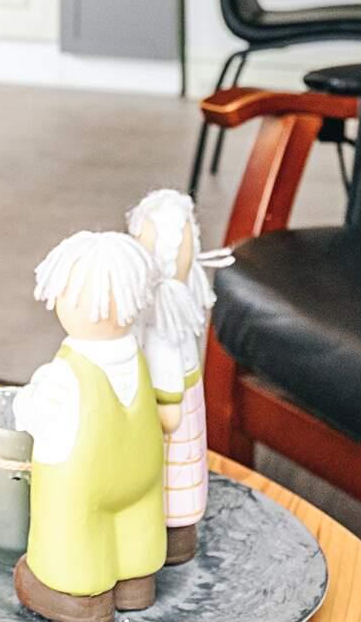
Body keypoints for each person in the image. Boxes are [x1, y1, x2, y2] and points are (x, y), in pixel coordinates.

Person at [12, 230, 169, 620]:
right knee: (136, 534)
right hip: (142, 474)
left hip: (85, 482)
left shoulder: (64, 373)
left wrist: (27, 401)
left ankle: (81, 599)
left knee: (71, 530)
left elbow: (33, 417)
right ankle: (135, 583)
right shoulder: (138, 355)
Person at [128, 189, 217, 564]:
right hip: (184, 403)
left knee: (167, 482)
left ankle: (169, 541)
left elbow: (167, 400)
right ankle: (179, 535)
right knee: (183, 475)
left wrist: (153, 412)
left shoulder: (161, 327)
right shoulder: (178, 314)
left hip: (164, 423)